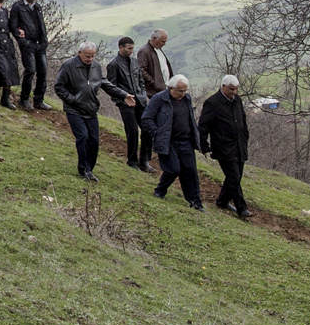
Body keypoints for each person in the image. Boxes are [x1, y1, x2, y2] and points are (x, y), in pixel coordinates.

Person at [55, 42, 132, 178]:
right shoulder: (68, 65)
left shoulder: (96, 66)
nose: (90, 59)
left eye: (92, 56)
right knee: (83, 137)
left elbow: (106, 84)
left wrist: (123, 94)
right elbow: (59, 87)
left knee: (94, 141)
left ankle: (89, 169)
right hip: (74, 109)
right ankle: (83, 169)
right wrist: (73, 100)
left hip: (91, 109)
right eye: (87, 56)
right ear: (79, 53)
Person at [198, 75, 251, 218]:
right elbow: (203, 126)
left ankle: (222, 201)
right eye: (231, 89)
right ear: (223, 86)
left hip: (239, 145)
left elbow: (243, 120)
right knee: (233, 177)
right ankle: (242, 208)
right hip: (223, 147)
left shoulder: (237, 101)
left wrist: (245, 136)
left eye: (236, 89)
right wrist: (204, 145)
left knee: (236, 176)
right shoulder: (212, 103)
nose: (234, 92)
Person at [147, 75, 202, 207]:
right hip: (168, 140)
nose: (183, 94)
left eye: (185, 91)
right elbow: (147, 119)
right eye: (180, 91)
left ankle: (195, 201)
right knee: (173, 169)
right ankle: (160, 190)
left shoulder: (187, 99)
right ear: (171, 88)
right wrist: (158, 133)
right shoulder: (159, 99)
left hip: (186, 140)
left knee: (190, 171)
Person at [107, 37, 147, 170]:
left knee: (147, 129)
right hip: (126, 103)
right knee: (132, 132)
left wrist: (142, 94)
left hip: (140, 101)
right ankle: (132, 161)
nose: (131, 51)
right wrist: (121, 100)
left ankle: (144, 160)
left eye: (132, 48)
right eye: (129, 48)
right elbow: (111, 87)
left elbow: (141, 80)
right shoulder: (113, 65)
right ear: (121, 48)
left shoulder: (135, 62)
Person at [9, 0, 50, 110]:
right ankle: (24, 99)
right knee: (30, 70)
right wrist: (23, 42)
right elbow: (13, 26)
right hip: (28, 44)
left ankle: (39, 100)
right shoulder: (17, 7)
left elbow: (41, 24)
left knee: (42, 72)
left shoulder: (37, 7)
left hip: (40, 44)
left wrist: (45, 41)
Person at [134, 29, 174, 100]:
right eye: (162, 41)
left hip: (164, 89)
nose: (164, 44)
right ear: (154, 39)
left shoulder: (158, 50)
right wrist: (154, 83)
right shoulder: (144, 51)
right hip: (154, 92)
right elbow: (141, 70)